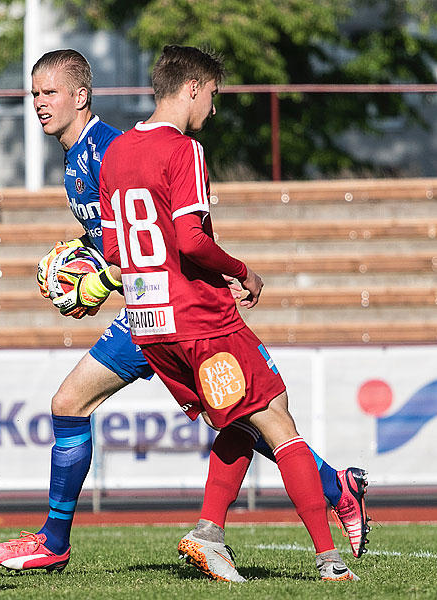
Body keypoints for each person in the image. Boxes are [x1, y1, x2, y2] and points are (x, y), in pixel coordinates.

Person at [0, 49, 368, 576]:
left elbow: (159, 235)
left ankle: (57, 540)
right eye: (34, 94)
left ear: (81, 95)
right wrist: (80, 264)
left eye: (49, 93)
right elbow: (123, 235)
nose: (39, 104)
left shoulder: (111, 149)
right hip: (154, 308)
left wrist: (99, 278)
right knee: (250, 415)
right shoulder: (78, 159)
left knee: (246, 415)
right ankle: (328, 493)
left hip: (159, 309)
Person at [98, 45, 359, 582]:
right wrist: (242, 271)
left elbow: (117, 255)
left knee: (240, 421)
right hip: (200, 321)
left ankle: (210, 534)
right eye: (213, 95)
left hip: (149, 326)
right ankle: (330, 562)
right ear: (192, 88)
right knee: (279, 419)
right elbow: (192, 240)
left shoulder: (116, 153)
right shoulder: (183, 149)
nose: (213, 109)